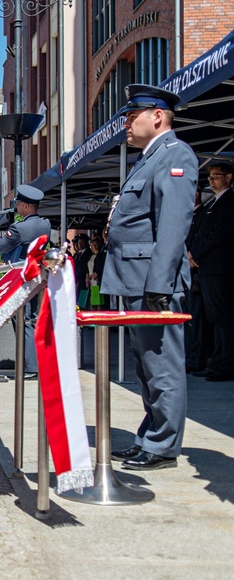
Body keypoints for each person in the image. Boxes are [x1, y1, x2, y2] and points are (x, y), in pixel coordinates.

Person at [102, 84, 197, 471]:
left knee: (163, 364)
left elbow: (173, 226)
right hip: (135, 280)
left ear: (157, 116)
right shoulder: (148, 158)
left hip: (152, 283)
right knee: (146, 366)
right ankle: (150, 436)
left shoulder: (176, 156)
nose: (125, 123)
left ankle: (162, 446)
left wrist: (159, 283)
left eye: (131, 115)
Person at [0, 184, 51, 378]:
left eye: (19, 204)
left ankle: (30, 368)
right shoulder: (45, 224)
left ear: (26, 206)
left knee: (23, 321)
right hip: (38, 277)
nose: (17, 206)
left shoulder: (18, 228)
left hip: (21, 278)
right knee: (31, 320)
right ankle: (32, 365)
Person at [188, 162, 234, 381]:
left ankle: (226, 364)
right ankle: (216, 361)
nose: (211, 179)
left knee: (223, 318)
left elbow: (217, 233)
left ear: (229, 178)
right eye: (210, 177)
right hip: (207, 268)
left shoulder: (228, 202)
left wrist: (194, 253)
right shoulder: (212, 203)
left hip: (219, 268)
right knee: (214, 319)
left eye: (217, 176)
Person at [184, 187, 215, 373]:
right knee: (189, 319)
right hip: (186, 271)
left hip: (196, 270)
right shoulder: (188, 216)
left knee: (196, 319)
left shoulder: (203, 213)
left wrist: (191, 255)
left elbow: (200, 239)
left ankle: (197, 359)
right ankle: (190, 356)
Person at [86, 236, 107, 311]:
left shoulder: (101, 255)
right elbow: (87, 268)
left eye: (96, 244)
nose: (94, 246)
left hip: (97, 279)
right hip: (91, 281)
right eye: (92, 245)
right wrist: (87, 278)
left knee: (98, 300)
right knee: (92, 300)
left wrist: (97, 273)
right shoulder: (90, 256)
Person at [72, 233, 92, 309]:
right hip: (77, 279)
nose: (80, 244)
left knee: (83, 299)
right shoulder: (78, 254)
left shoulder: (88, 253)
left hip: (84, 280)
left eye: (82, 242)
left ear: (86, 243)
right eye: (79, 242)